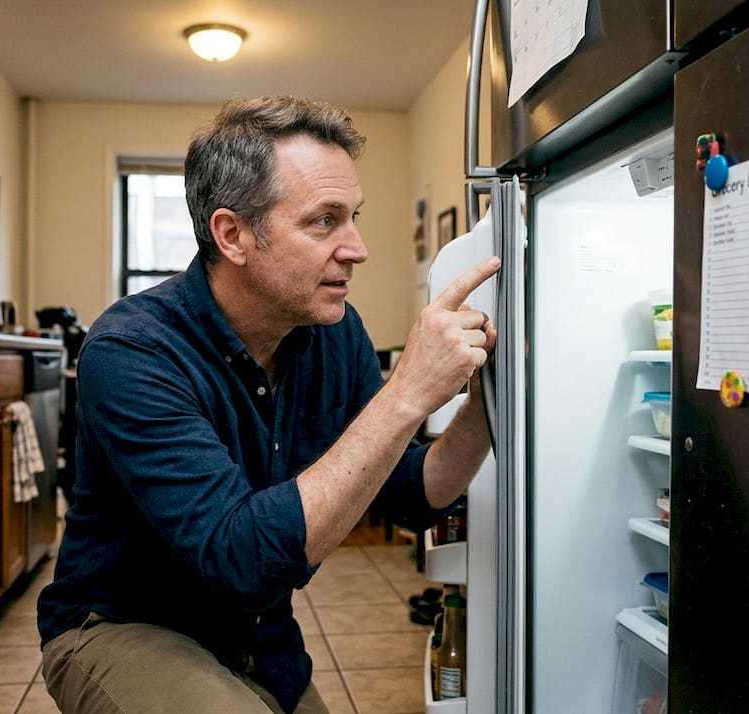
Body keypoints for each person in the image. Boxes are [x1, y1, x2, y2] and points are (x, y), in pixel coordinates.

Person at [37, 95, 500, 714]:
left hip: (259, 636)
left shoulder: (335, 334)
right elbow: (241, 559)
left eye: (354, 216)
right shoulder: (131, 352)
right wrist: (408, 392)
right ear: (233, 235)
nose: (357, 247)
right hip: (122, 626)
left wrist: (488, 401)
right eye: (324, 220)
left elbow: (410, 496)